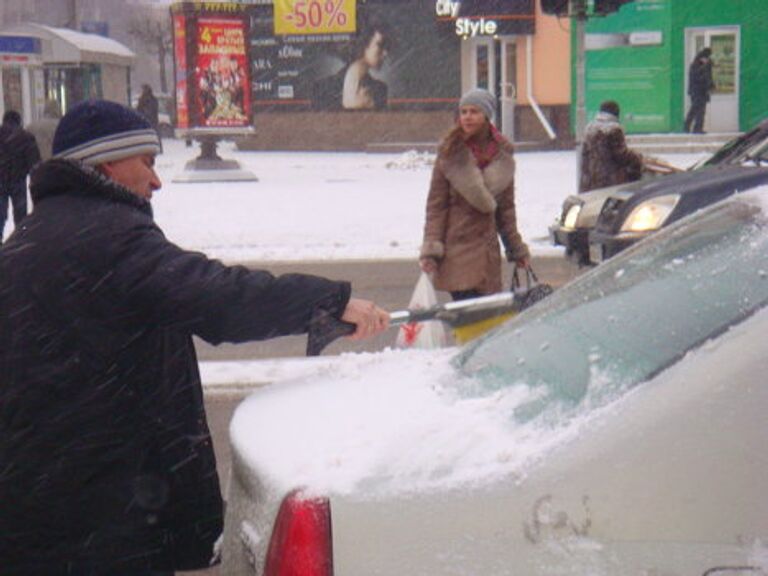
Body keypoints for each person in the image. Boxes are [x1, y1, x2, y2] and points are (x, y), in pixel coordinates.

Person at [0, 99, 389, 575]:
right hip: (97, 518)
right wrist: (327, 303)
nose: (157, 180)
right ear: (104, 163)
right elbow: (220, 298)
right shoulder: (110, 236)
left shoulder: (27, 242)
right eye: (147, 162)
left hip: (38, 505)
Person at [419, 88, 529, 301]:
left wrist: (516, 250)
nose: (467, 117)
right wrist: (431, 250)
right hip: (457, 251)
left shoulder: (503, 156)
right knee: (467, 317)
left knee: (484, 321)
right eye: (463, 111)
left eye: (474, 111)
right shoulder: (450, 153)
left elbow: (506, 211)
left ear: (487, 116)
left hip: (487, 254)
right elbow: (436, 206)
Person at [579, 100, 644, 193]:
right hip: (609, 180)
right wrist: (637, 158)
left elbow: (585, 156)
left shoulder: (590, 127)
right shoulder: (614, 129)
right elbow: (621, 155)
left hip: (591, 180)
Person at [0, 110, 41, 243]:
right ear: (19, 121)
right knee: (20, 215)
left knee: (0, 213)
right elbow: (34, 162)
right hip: (18, 180)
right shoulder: (26, 137)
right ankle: (21, 241)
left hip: (1, 179)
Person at [342, 23, 390, 110]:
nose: (385, 53)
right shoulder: (357, 73)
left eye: (386, 46)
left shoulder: (362, 74)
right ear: (365, 45)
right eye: (379, 45)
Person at [684, 47, 715, 134]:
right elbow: (697, 78)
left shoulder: (705, 66)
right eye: (706, 58)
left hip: (703, 92)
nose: (707, 60)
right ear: (701, 57)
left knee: (701, 111)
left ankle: (697, 128)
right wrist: (705, 69)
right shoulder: (695, 66)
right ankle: (687, 127)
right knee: (695, 109)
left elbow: (709, 78)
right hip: (696, 91)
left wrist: (711, 86)